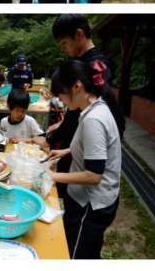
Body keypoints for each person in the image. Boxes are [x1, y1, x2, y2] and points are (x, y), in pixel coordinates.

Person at [48, 60, 122, 259]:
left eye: (61, 95)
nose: (61, 100)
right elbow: (93, 148)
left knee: (78, 255)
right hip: (90, 200)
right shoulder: (95, 107)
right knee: (86, 249)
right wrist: (66, 151)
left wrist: (52, 176)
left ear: (77, 86)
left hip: (91, 204)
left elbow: (94, 175)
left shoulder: (93, 119)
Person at [49, 14, 125, 198]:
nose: (63, 48)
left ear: (79, 34)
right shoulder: (85, 62)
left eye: (64, 43)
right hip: (81, 136)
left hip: (92, 136)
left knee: (79, 179)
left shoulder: (96, 65)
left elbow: (80, 110)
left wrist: (51, 139)